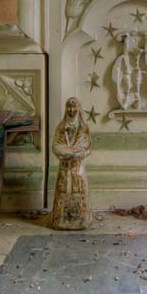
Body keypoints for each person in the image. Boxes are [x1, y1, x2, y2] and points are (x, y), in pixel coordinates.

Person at [50, 97, 93, 230]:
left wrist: (80, 153)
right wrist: (67, 152)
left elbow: (88, 147)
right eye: (68, 107)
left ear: (79, 108)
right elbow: (56, 146)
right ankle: (61, 221)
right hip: (64, 168)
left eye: (74, 107)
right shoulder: (61, 127)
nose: (71, 109)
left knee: (79, 193)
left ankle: (81, 220)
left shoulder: (84, 127)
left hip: (78, 168)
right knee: (63, 193)